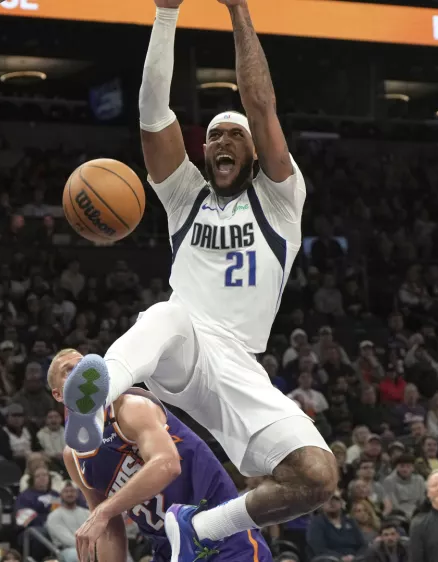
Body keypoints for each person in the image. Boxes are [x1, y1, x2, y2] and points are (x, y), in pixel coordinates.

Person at [57, 0, 336, 558]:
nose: (224, 142)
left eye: (235, 135)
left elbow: (260, 103)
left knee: (317, 476)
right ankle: (95, 400)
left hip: (240, 365)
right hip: (183, 344)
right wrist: (166, 12)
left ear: (254, 149)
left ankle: (201, 531)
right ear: (203, 153)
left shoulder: (281, 199)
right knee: (168, 314)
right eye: (214, 138)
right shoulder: (185, 196)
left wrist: (237, 8)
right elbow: (151, 112)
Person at [50, 349, 273, 562]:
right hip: (168, 546)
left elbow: (167, 464)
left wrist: (103, 512)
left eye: (83, 365)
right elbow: (109, 525)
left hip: (217, 528)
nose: (79, 371)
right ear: (58, 394)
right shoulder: (73, 456)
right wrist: (103, 514)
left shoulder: (130, 407)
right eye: (68, 370)